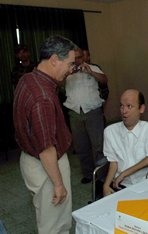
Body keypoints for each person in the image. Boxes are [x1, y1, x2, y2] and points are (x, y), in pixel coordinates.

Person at [13, 35, 77, 233]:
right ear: (55, 60)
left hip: (30, 159)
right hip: (47, 167)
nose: (72, 69)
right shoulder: (43, 97)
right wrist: (58, 184)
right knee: (55, 225)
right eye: (70, 64)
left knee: (49, 219)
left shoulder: (28, 78)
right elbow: (46, 148)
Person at [103, 89, 148, 196]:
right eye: (121, 106)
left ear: (142, 108)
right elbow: (113, 162)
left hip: (146, 181)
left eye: (129, 106)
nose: (124, 111)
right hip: (122, 183)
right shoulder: (110, 131)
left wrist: (124, 173)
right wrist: (106, 186)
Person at [64, 48, 108, 184]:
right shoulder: (66, 71)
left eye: (79, 58)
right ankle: (88, 173)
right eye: (74, 58)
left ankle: (102, 175)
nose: (77, 61)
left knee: (98, 145)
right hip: (75, 113)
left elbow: (104, 79)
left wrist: (91, 72)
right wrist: (66, 74)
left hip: (92, 112)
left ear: (84, 57)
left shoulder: (93, 68)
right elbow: (58, 84)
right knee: (81, 146)